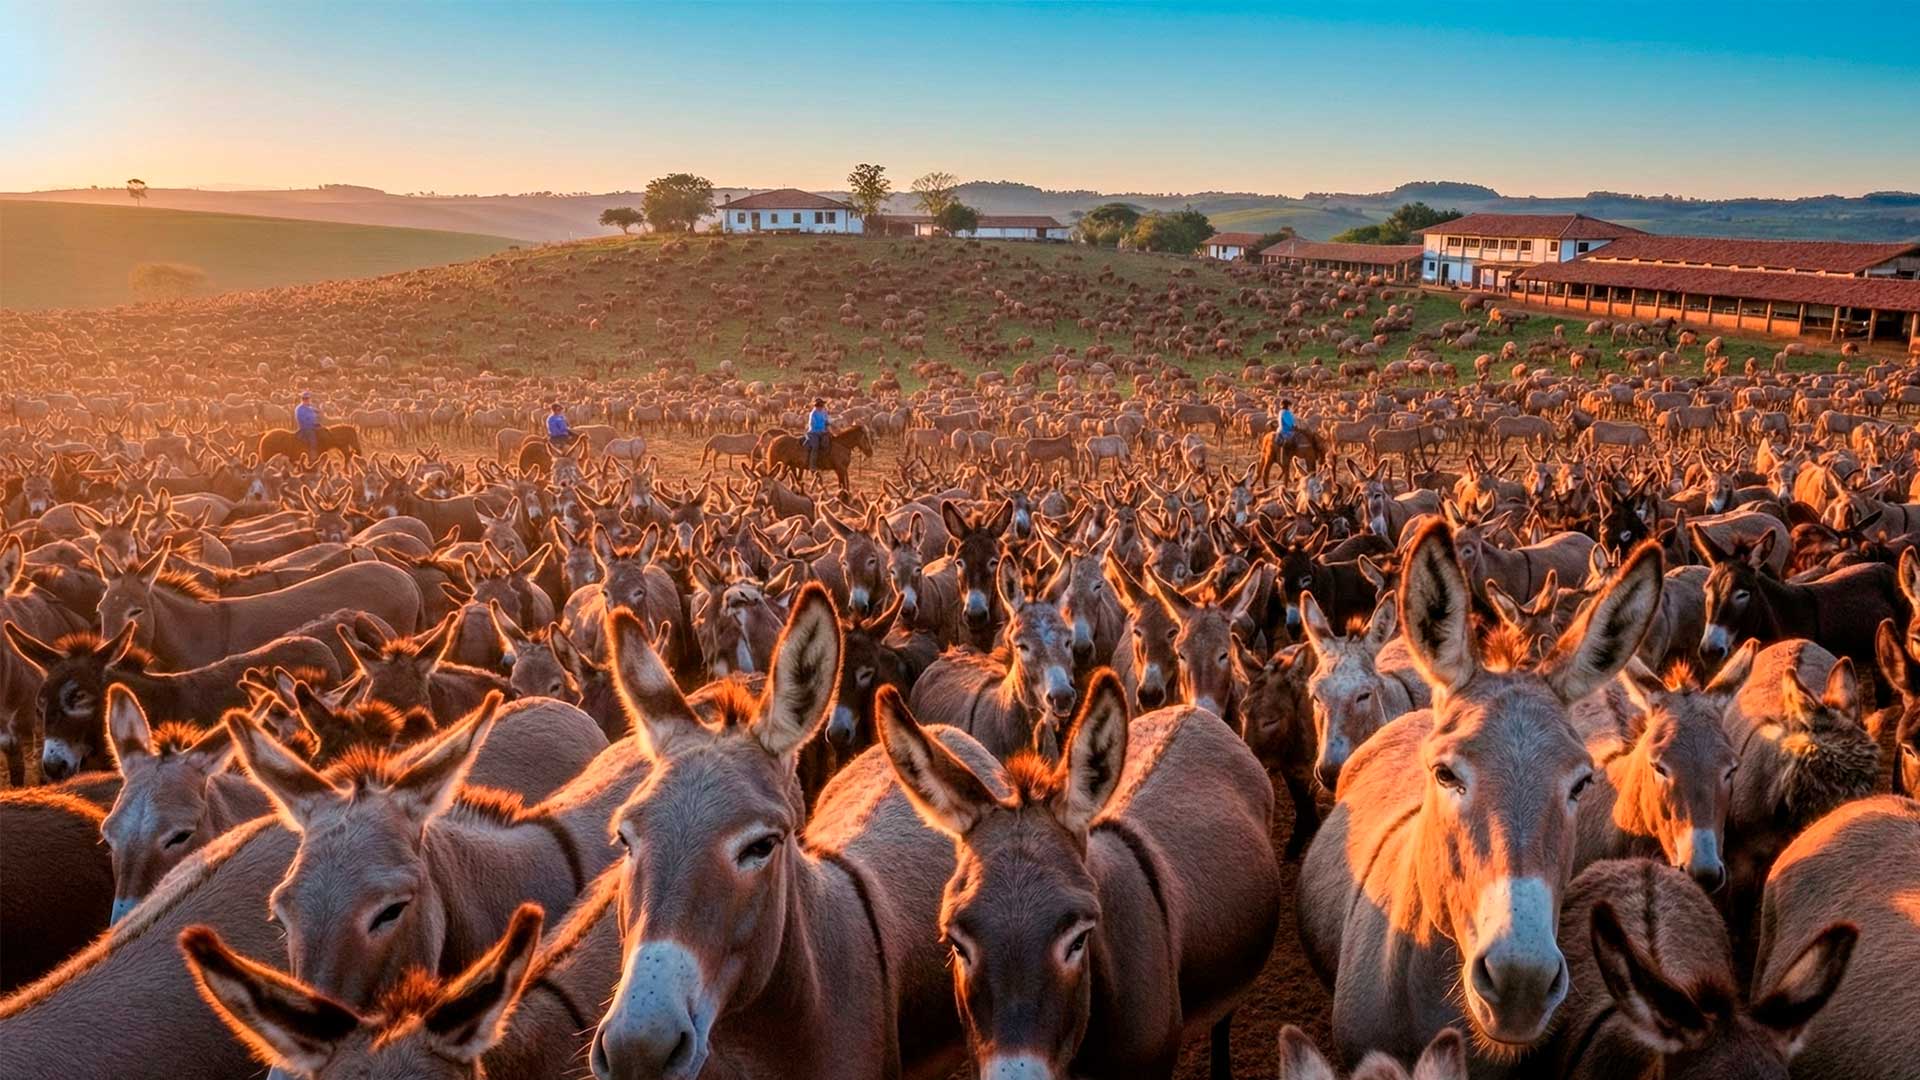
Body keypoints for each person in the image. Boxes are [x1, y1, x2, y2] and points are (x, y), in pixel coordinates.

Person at [294, 391, 321, 460]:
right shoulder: (300, 409)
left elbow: (314, 411)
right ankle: (313, 457)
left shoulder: (308, 407)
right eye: (305, 398)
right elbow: (303, 420)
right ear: (302, 399)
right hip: (306, 428)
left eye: (308, 398)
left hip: (312, 426)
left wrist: (318, 411)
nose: (307, 400)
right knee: (313, 440)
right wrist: (313, 424)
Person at [805, 397, 830, 470]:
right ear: (816, 406)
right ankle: (812, 465)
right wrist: (822, 430)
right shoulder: (813, 414)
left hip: (823, 432)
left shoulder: (823, 412)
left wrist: (828, 424)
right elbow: (813, 425)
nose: (821, 407)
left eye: (822, 405)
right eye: (820, 405)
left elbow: (826, 420)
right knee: (815, 447)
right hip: (814, 433)